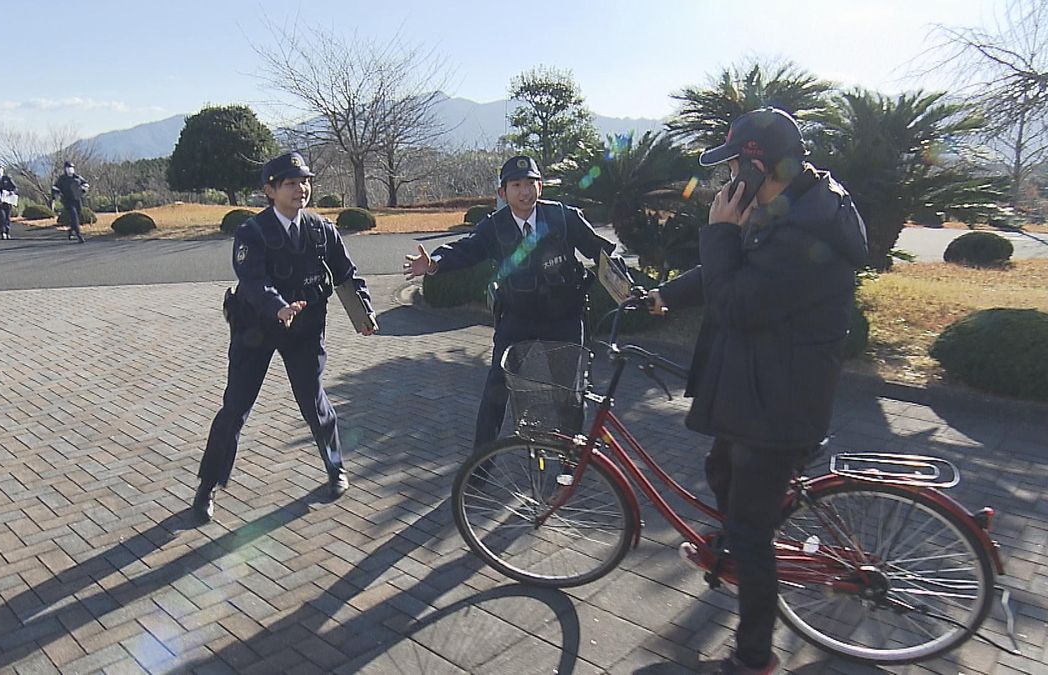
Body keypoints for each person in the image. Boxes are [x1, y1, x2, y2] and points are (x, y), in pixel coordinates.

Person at [647, 107, 867, 674]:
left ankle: (753, 658)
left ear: (760, 166)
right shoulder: (789, 206)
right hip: (760, 389)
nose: (726, 185)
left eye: (733, 171)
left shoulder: (803, 232)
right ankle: (748, 534)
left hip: (779, 404)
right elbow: (734, 270)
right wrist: (663, 296)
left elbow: (738, 304)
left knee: (750, 535)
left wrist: (720, 232)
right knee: (721, 468)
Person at [192, 151, 376, 521]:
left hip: (304, 331)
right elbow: (252, 280)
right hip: (256, 330)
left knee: (314, 402)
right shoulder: (251, 231)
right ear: (270, 190)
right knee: (235, 409)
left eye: (305, 181)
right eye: (291, 183)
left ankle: (336, 466)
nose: (301, 189)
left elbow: (345, 274)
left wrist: (364, 312)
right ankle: (207, 486)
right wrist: (277, 305)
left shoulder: (322, 230)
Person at [403, 155, 619, 451]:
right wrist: (433, 263)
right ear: (503, 193)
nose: (525, 191)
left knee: (569, 393)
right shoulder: (494, 226)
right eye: (516, 185)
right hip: (517, 319)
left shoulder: (563, 217)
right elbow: (466, 249)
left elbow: (600, 253)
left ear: (540, 186)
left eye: (530, 183)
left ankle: (570, 462)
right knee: (496, 391)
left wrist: (625, 287)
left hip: (564, 317)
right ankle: (479, 466)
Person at [51, 161, 89, 243]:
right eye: (68, 167)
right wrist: (54, 195)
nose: (70, 169)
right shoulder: (62, 179)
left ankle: (71, 230)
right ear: (65, 169)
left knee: (77, 216)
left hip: (77, 199)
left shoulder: (77, 177)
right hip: (67, 200)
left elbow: (85, 184)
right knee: (74, 216)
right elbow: (55, 188)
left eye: (71, 167)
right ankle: (79, 236)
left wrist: (83, 189)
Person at [0, 162, 17, 239]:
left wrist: (11, 192)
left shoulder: (7, 178)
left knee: (7, 217)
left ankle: (7, 231)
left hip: (7, 201)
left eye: (0, 168)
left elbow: (15, 188)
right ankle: (2, 232)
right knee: (1, 217)